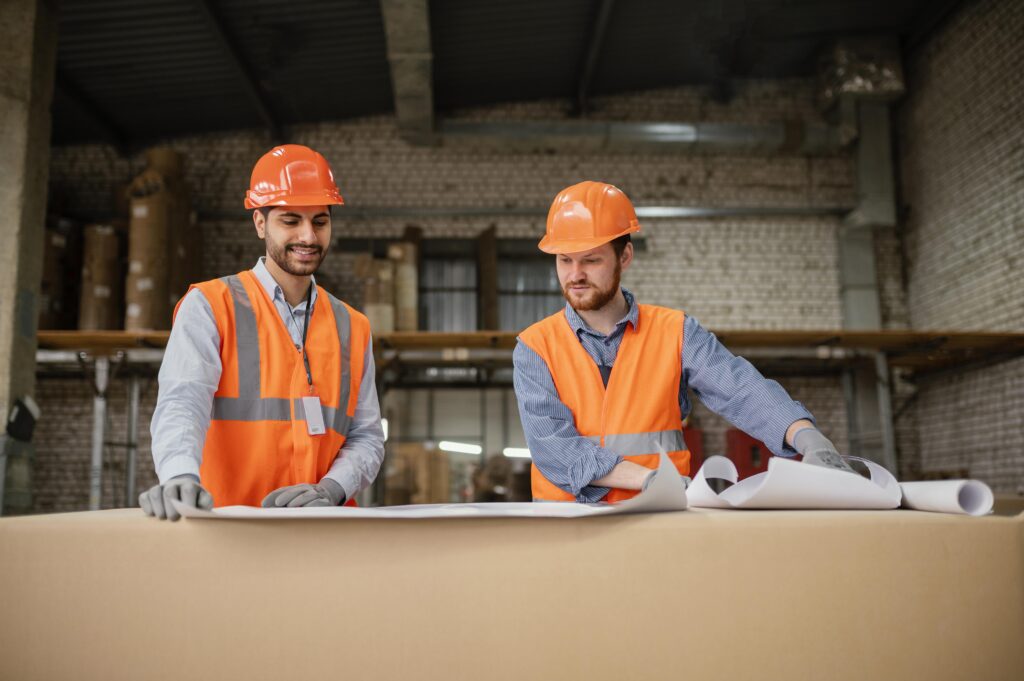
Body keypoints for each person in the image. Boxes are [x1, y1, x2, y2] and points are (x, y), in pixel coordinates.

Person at [513, 181, 848, 503]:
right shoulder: (535, 347)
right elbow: (554, 447)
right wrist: (649, 480)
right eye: (564, 260)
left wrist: (808, 438)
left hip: (659, 523)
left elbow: (741, 389)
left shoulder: (676, 332)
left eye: (591, 259)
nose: (575, 275)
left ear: (624, 256)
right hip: (570, 527)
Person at [140, 144, 385, 520]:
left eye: (320, 221)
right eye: (290, 220)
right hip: (226, 529)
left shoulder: (353, 326)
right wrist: (178, 475)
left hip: (322, 533)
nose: (308, 236)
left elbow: (367, 436)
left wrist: (331, 489)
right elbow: (182, 402)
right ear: (260, 223)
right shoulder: (210, 306)